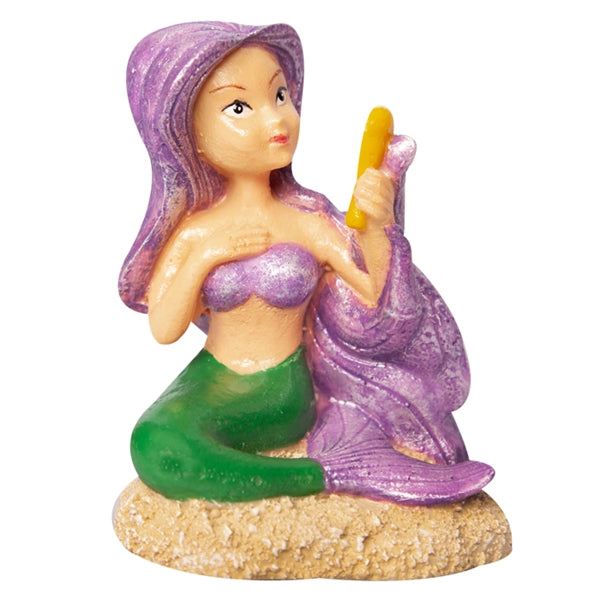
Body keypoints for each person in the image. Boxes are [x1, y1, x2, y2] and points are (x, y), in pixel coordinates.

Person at [119, 22, 494, 505]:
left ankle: (325, 474)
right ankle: (331, 471)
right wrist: (209, 255)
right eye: (239, 107)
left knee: (169, 449)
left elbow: (376, 302)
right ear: (190, 136)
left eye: (280, 95)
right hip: (208, 377)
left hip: (278, 385)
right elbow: (164, 329)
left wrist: (378, 226)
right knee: (154, 444)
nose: (277, 119)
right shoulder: (195, 232)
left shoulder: (307, 222)